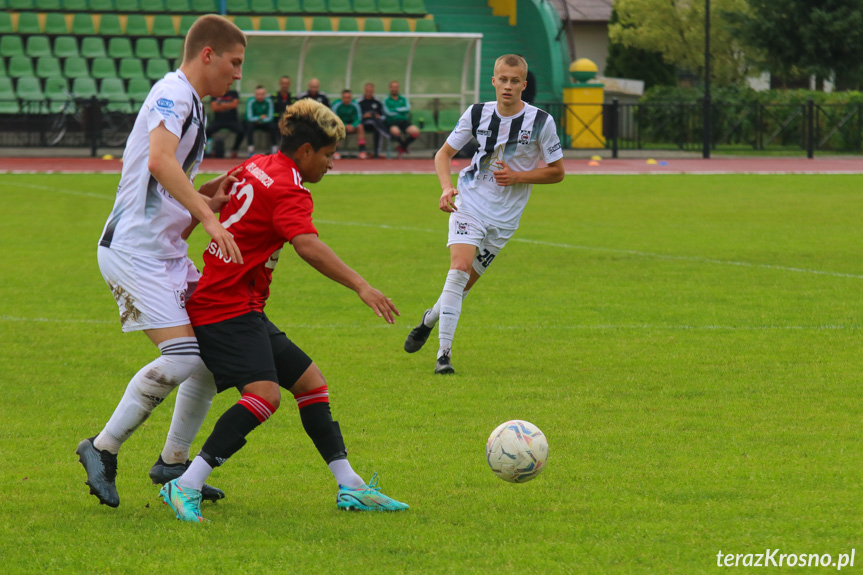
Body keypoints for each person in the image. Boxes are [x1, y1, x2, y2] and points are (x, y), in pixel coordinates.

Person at [159, 99, 408, 522]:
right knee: (264, 396)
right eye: (329, 155)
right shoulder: (290, 187)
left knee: (311, 384)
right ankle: (185, 484)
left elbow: (213, 195)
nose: (332, 164)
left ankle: (350, 486)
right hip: (225, 306)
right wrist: (362, 286)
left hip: (237, 302)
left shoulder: (261, 162)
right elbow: (307, 244)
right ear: (307, 151)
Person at [76, 14, 247, 508]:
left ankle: (173, 462)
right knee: (184, 356)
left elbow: (168, 182)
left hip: (165, 252)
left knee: (213, 357)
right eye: (234, 63)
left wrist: (208, 197)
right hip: (134, 252)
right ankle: (101, 447)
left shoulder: (193, 103)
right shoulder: (172, 93)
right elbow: (158, 161)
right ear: (207, 54)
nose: (237, 74)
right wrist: (210, 220)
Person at [403, 54, 565, 374]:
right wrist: (447, 187)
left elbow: (557, 172)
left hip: (505, 219)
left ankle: (429, 318)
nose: (507, 86)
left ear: (524, 85)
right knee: (459, 268)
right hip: (471, 202)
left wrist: (518, 177)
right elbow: (443, 154)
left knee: (460, 288)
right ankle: (443, 356)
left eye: (514, 81)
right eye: (502, 79)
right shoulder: (477, 113)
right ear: (493, 81)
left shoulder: (542, 122)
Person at [382, 80, 419, 157]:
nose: (394, 89)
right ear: (390, 88)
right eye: (393, 87)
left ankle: (402, 146)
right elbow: (388, 112)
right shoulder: (386, 100)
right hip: (392, 121)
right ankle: (404, 146)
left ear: (398, 88)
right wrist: (401, 110)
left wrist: (395, 109)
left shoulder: (404, 99)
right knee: (396, 132)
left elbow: (407, 109)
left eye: (396, 87)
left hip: (404, 120)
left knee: (415, 131)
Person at [206, 88, 243, 159]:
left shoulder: (234, 93)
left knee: (241, 131)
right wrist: (229, 105)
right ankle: (207, 150)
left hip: (232, 121)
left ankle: (234, 149)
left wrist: (220, 105)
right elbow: (214, 108)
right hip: (218, 120)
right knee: (207, 131)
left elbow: (234, 105)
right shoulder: (215, 93)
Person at [331, 89, 367, 159]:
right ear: (342, 97)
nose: (347, 99)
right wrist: (344, 125)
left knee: (360, 127)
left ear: (351, 98)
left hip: (353, 126)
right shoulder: (336, 105)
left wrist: (353, 125)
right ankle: (335, 151)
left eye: (349, 98)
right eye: (345, 97)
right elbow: (334, 118)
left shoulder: (355, 104)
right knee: (334, 127)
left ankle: (362, 151)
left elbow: (359, 118)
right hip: (341, 126)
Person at [244, 85, 278, 156]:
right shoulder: (251, 101)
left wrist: (261, 120)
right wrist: (260, 117)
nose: (260, 96)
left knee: (273, 126)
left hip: (265, 123)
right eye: (258, 94)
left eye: (262, 94)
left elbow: (270, 117)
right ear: (255, 94)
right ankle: (251, 150)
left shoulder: (269, 101)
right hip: (254, 123)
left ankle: (274, 149)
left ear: (264, 94)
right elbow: (249, 117)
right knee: (249, 126)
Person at [358, 82, 388, 159]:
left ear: (373, 91)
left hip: (376, 124)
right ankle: (362, 150)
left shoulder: (377, 101)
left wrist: (379, 116)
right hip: (363, 123)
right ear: (364, 90)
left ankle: (376, 153)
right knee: (374, 122)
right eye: (367, 91)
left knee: (376, 125)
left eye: (370, 91)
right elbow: (356, 116)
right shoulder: (359, 102)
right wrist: (364, 115)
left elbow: (383, 116)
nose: (369, 93)